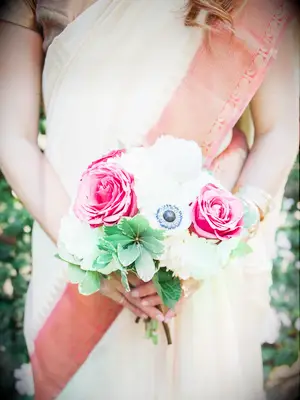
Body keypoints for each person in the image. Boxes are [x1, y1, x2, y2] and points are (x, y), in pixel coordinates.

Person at [0, 0, 299, 399]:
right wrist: (87, 255)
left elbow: (279, 129)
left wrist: (218, 240)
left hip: (202, 266)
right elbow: (11, 137)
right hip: (71, 259)